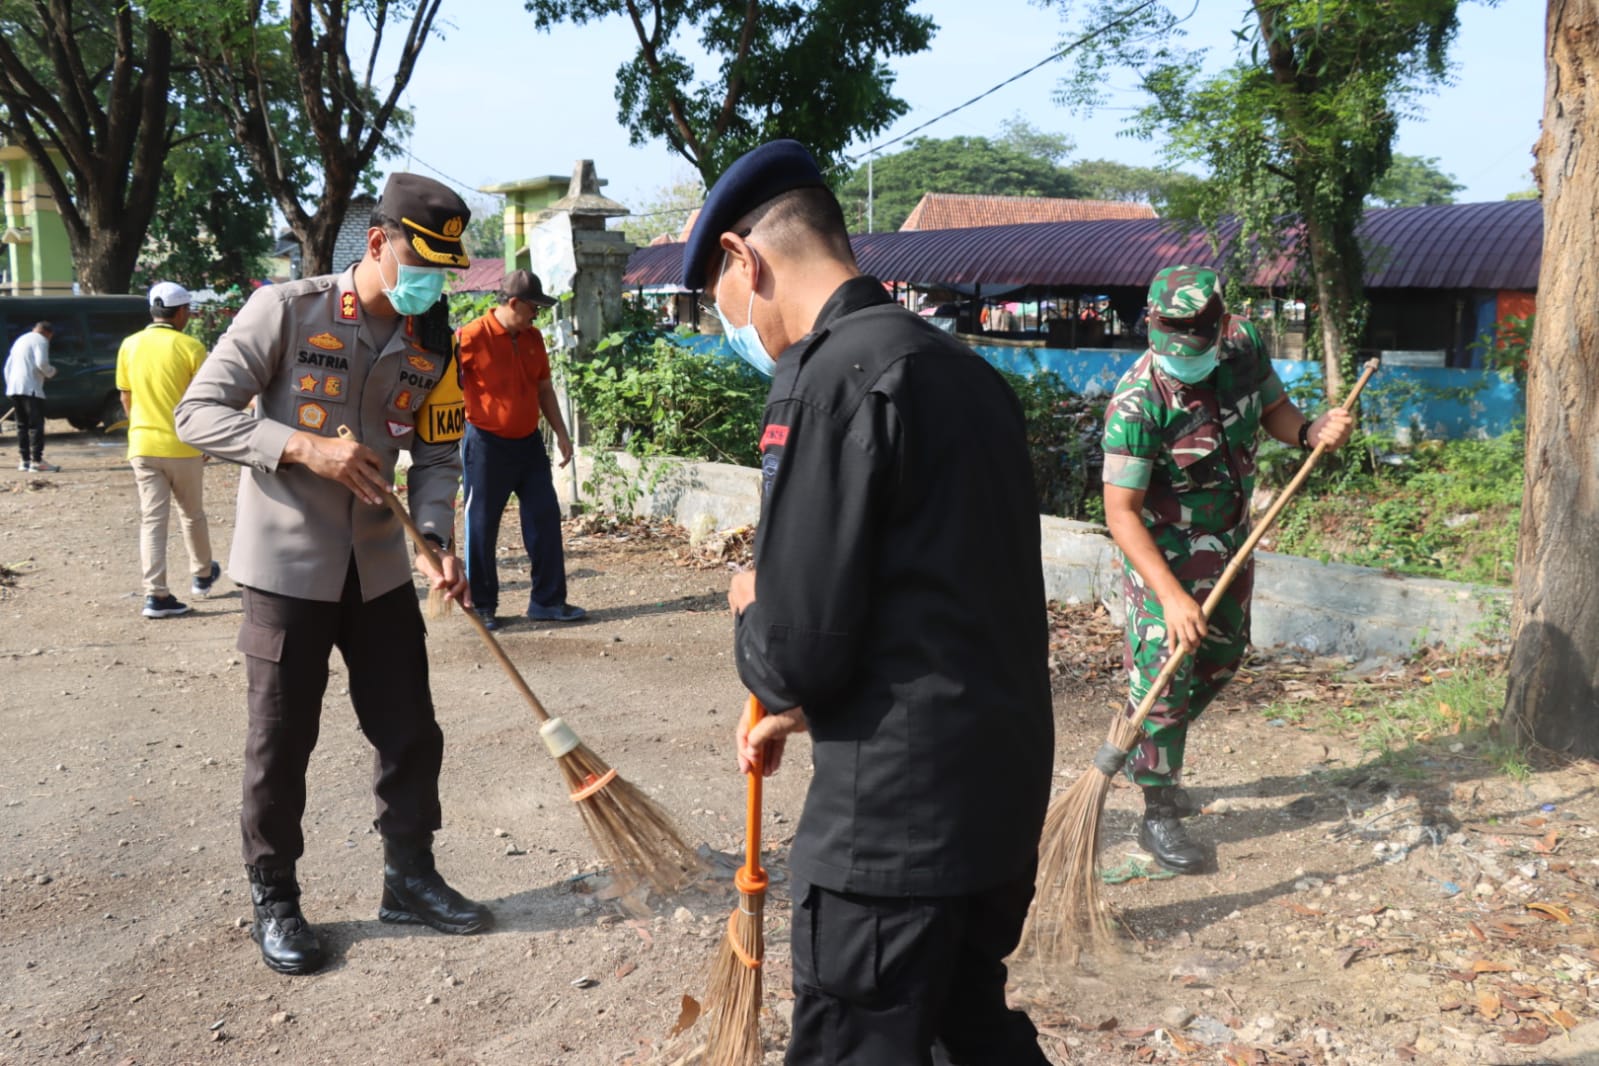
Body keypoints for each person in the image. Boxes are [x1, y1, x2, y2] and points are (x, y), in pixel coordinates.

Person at [685, 140, 1055, 1066]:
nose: (730, 322)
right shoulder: (963, 373)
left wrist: (749, 605)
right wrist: (802, 713)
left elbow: (797, 648)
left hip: (891, 835)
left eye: (717, 300)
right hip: (995, 802)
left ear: (745, 258)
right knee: (969, 1029)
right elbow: (931, 599)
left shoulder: (828, 380)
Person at [175, 173, 491, 976]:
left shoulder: (431, 340)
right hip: (287, 568)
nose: (431, 284)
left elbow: (439, 453)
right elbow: (197, 414)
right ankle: (275, 896)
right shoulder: (286, 310)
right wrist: (300, 445)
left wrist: (436, 537)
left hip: (381, 567)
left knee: (409, 731)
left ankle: (409, 878)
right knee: (282, 740)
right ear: (377, 244)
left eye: (445, 271)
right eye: (421, 263)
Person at [1100, 265, 1354, 874]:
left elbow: (1274, 409)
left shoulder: (1242, 345)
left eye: (1195, 345)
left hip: (1233, 541)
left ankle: (1157, 748)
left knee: (1223, 655)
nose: (1182, 358)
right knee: (1166, 668)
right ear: (1154, 329)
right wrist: (1170, 598)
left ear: (1219, 328)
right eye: (1171, 346)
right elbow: (1122, 513)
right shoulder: (1137, 403)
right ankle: (1158, 806)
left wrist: (1309, 431)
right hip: (1163, 555)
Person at [455, 268, 583, 630]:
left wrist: (561, 433)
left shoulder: (533, 338)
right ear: (514, 304)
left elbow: (544, 388)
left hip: (528, 444)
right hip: (484, 444)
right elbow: (443, 386)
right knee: (481, 526)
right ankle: (482, 605)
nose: (536, 316)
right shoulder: (470, 337)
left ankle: (548, 602)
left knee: (544, 520)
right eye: (533, 309)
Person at [116, 282, 221, 619]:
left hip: (143, 447)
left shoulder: (129, 345)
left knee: (152, 520)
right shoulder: (191, 347)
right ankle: (202, 577)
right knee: (192, 514)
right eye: (188, 310)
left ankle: (156, 595)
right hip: (184, 446)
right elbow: (202, 400)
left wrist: (140, 429)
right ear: (180, 312)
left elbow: (126, 396)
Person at [5, 321, 59, 473]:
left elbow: (7, 366)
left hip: (14, 387)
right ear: (48, 333)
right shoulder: (40, 340)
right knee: (36, 426)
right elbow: (42, 363)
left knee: (22, 426)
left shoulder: (21, 339)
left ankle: (24, 461)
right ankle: (37, 461)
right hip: (31, 389)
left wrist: (10, 387)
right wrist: (52, 372)